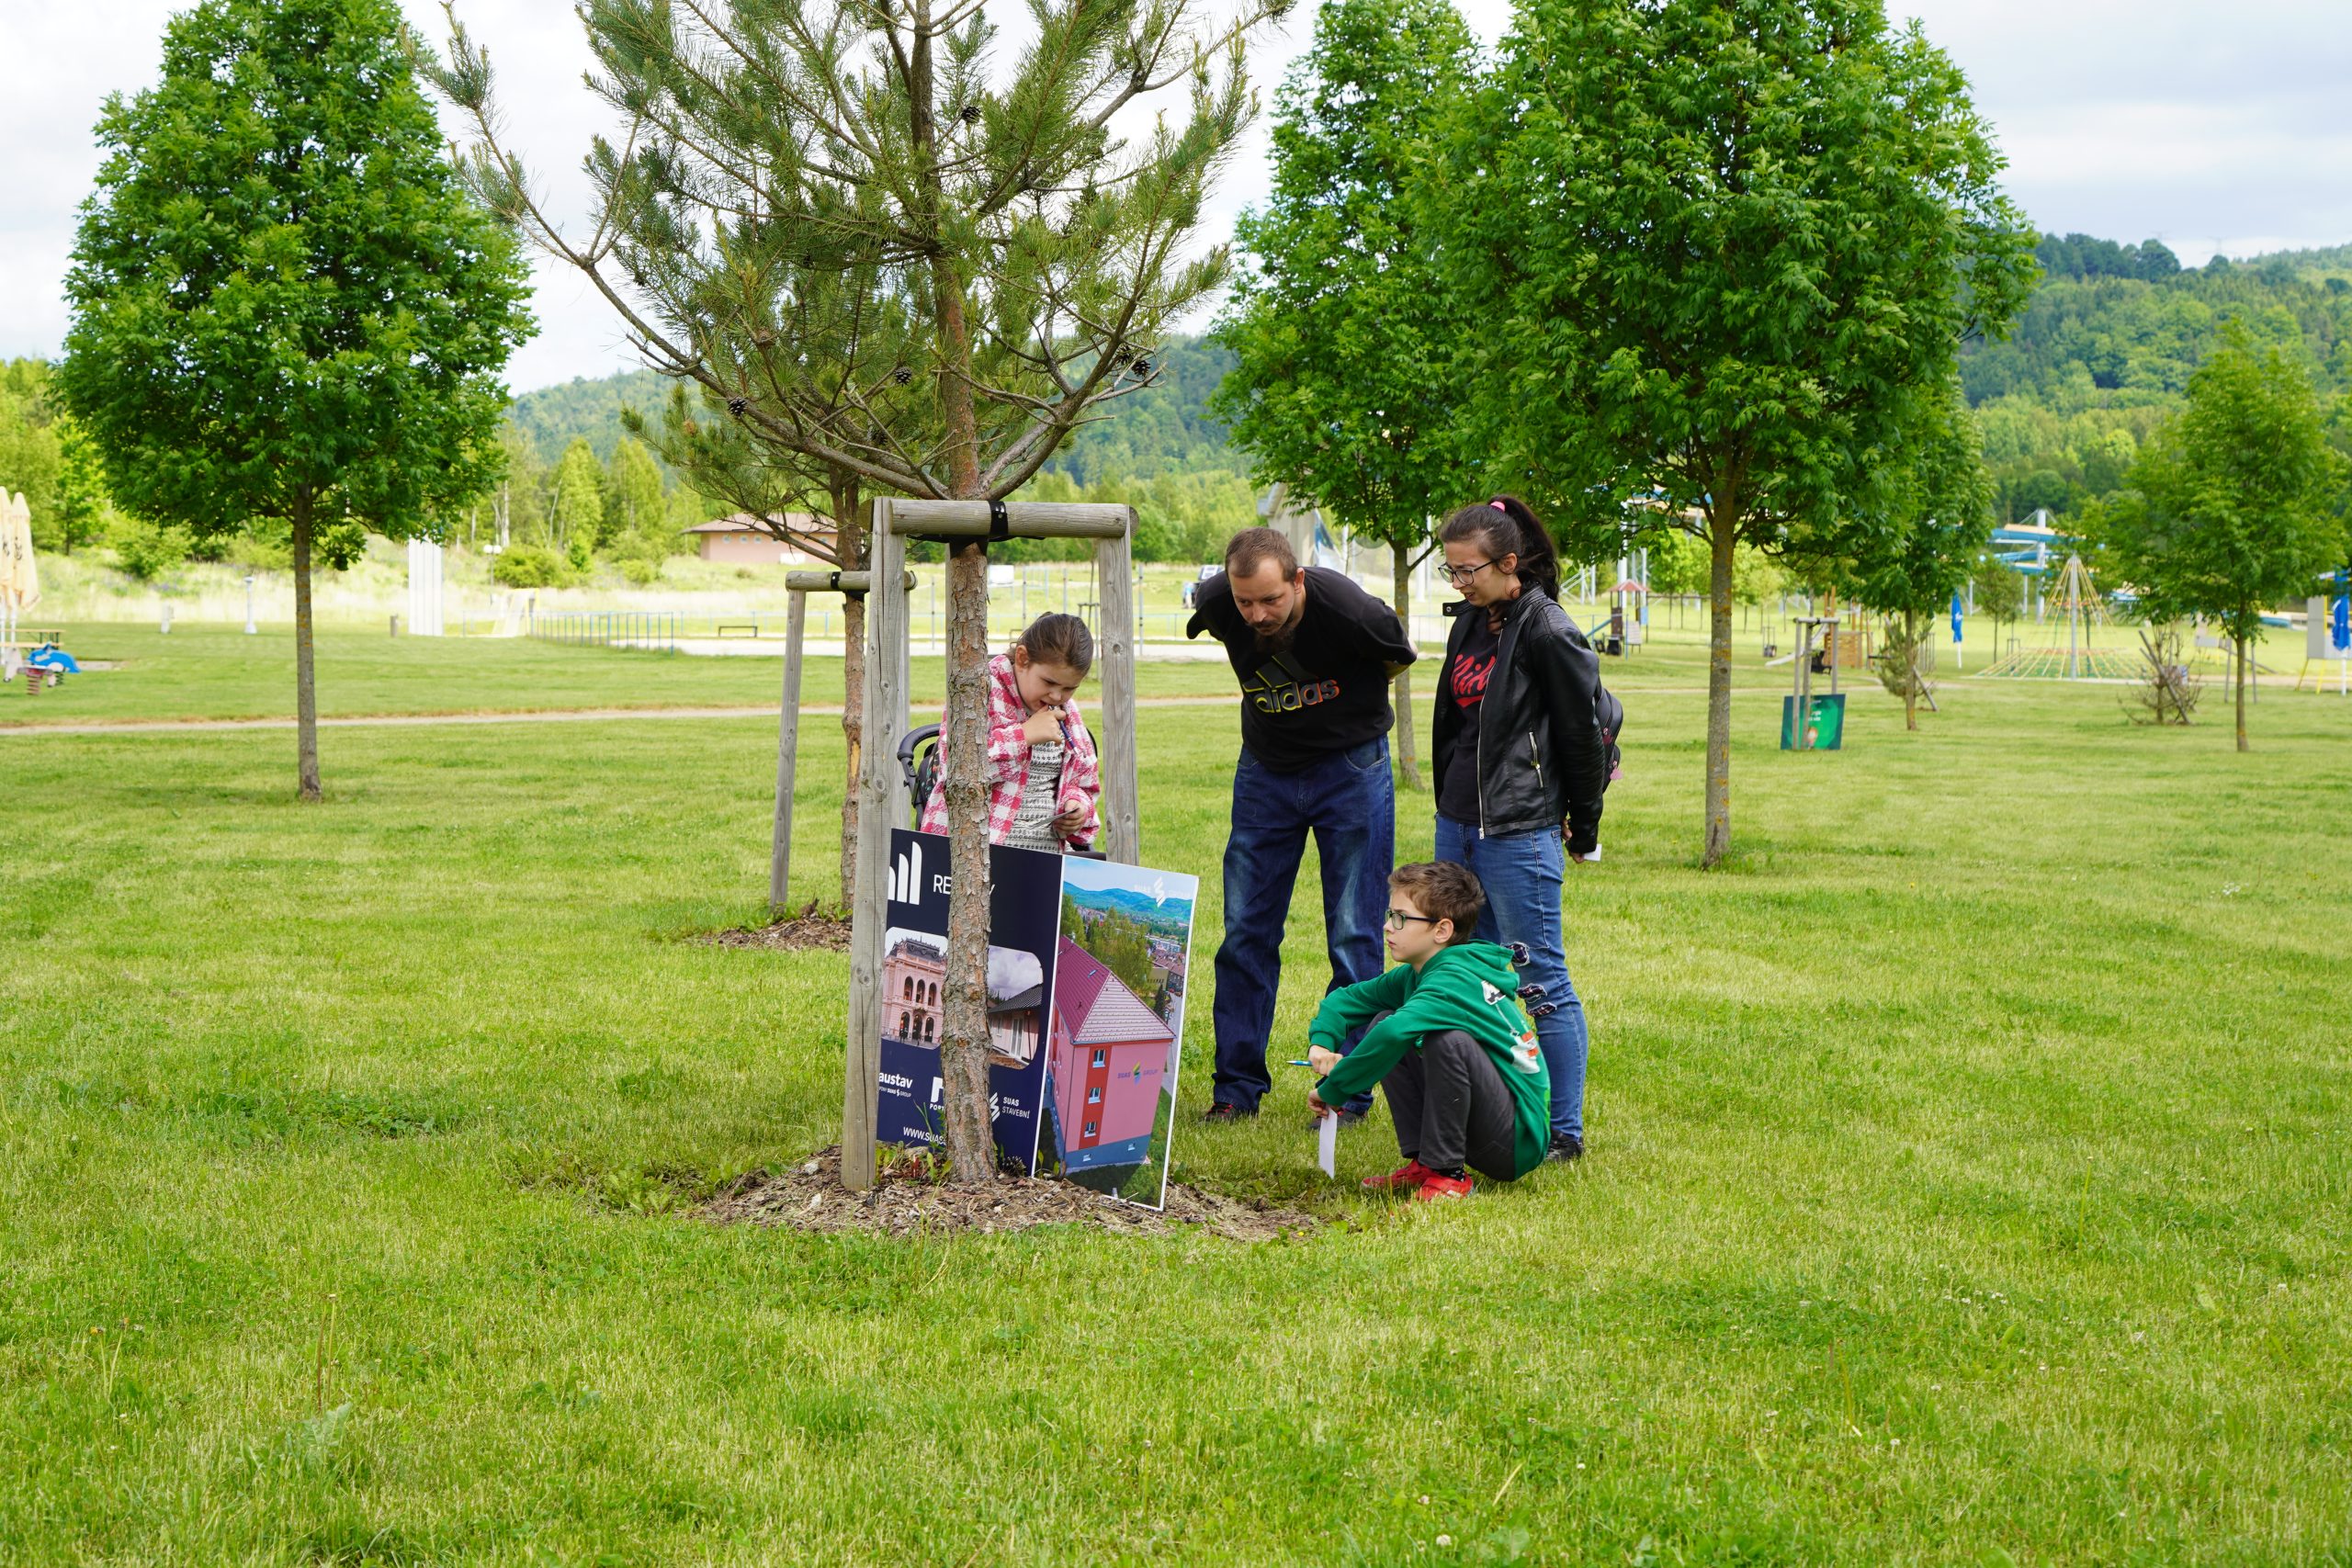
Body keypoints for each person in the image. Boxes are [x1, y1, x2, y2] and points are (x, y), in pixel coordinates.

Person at [1186, 526, 1418, 1121]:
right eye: (1246, 602)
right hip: (1266, 771)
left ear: (1297, 580)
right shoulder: (1217, 601)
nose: (1257, 615)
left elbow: (1397, 656)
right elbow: (1220, 615)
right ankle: (1235, 1090)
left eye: (1271, 599)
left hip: (1351, 769)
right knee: (1245, 932)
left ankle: (1347, 1092)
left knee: (1355, 933)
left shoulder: (1351, 610)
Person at [1428, 495, 1609, 1161]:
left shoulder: (1549, 629)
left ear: (1509, 562)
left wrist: (1583, 828)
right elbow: (1456, 724)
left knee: (1539, 980)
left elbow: (1582, 738)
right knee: (1468, 970)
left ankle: (1563, 1131)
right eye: (1450, 570)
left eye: (1468, 570)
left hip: (1518, 829)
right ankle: (1494, 1111)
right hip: (1458, 824)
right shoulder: (1471, 623)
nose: (1459, 582)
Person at [1304, 862, 1549, 1201]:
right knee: (1387, 1017)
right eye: (1390, 915)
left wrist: (1335, 1088)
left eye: (1400, 918)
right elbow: (1345, 1001)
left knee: (1446, 1040)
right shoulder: (1419, 973)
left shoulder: (1453, 979)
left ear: (1442, 930)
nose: (1387, 926)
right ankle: (1427, 1164)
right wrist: (1320, 1045)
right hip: (1485, 1123)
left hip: (1514, 1142)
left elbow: (1392, 1035)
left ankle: (1449, 1175)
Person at [921, 613, 1100, 853]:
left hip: (1044, 857)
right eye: (1048, 682)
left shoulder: (1067, 711)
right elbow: (959, 771)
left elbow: (1085, 780)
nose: (1057, 696)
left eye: (1069, 688)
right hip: (974, 852)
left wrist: (1077, 805)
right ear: (1023, 659)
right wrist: (1024, 736)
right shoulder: (978, 692)